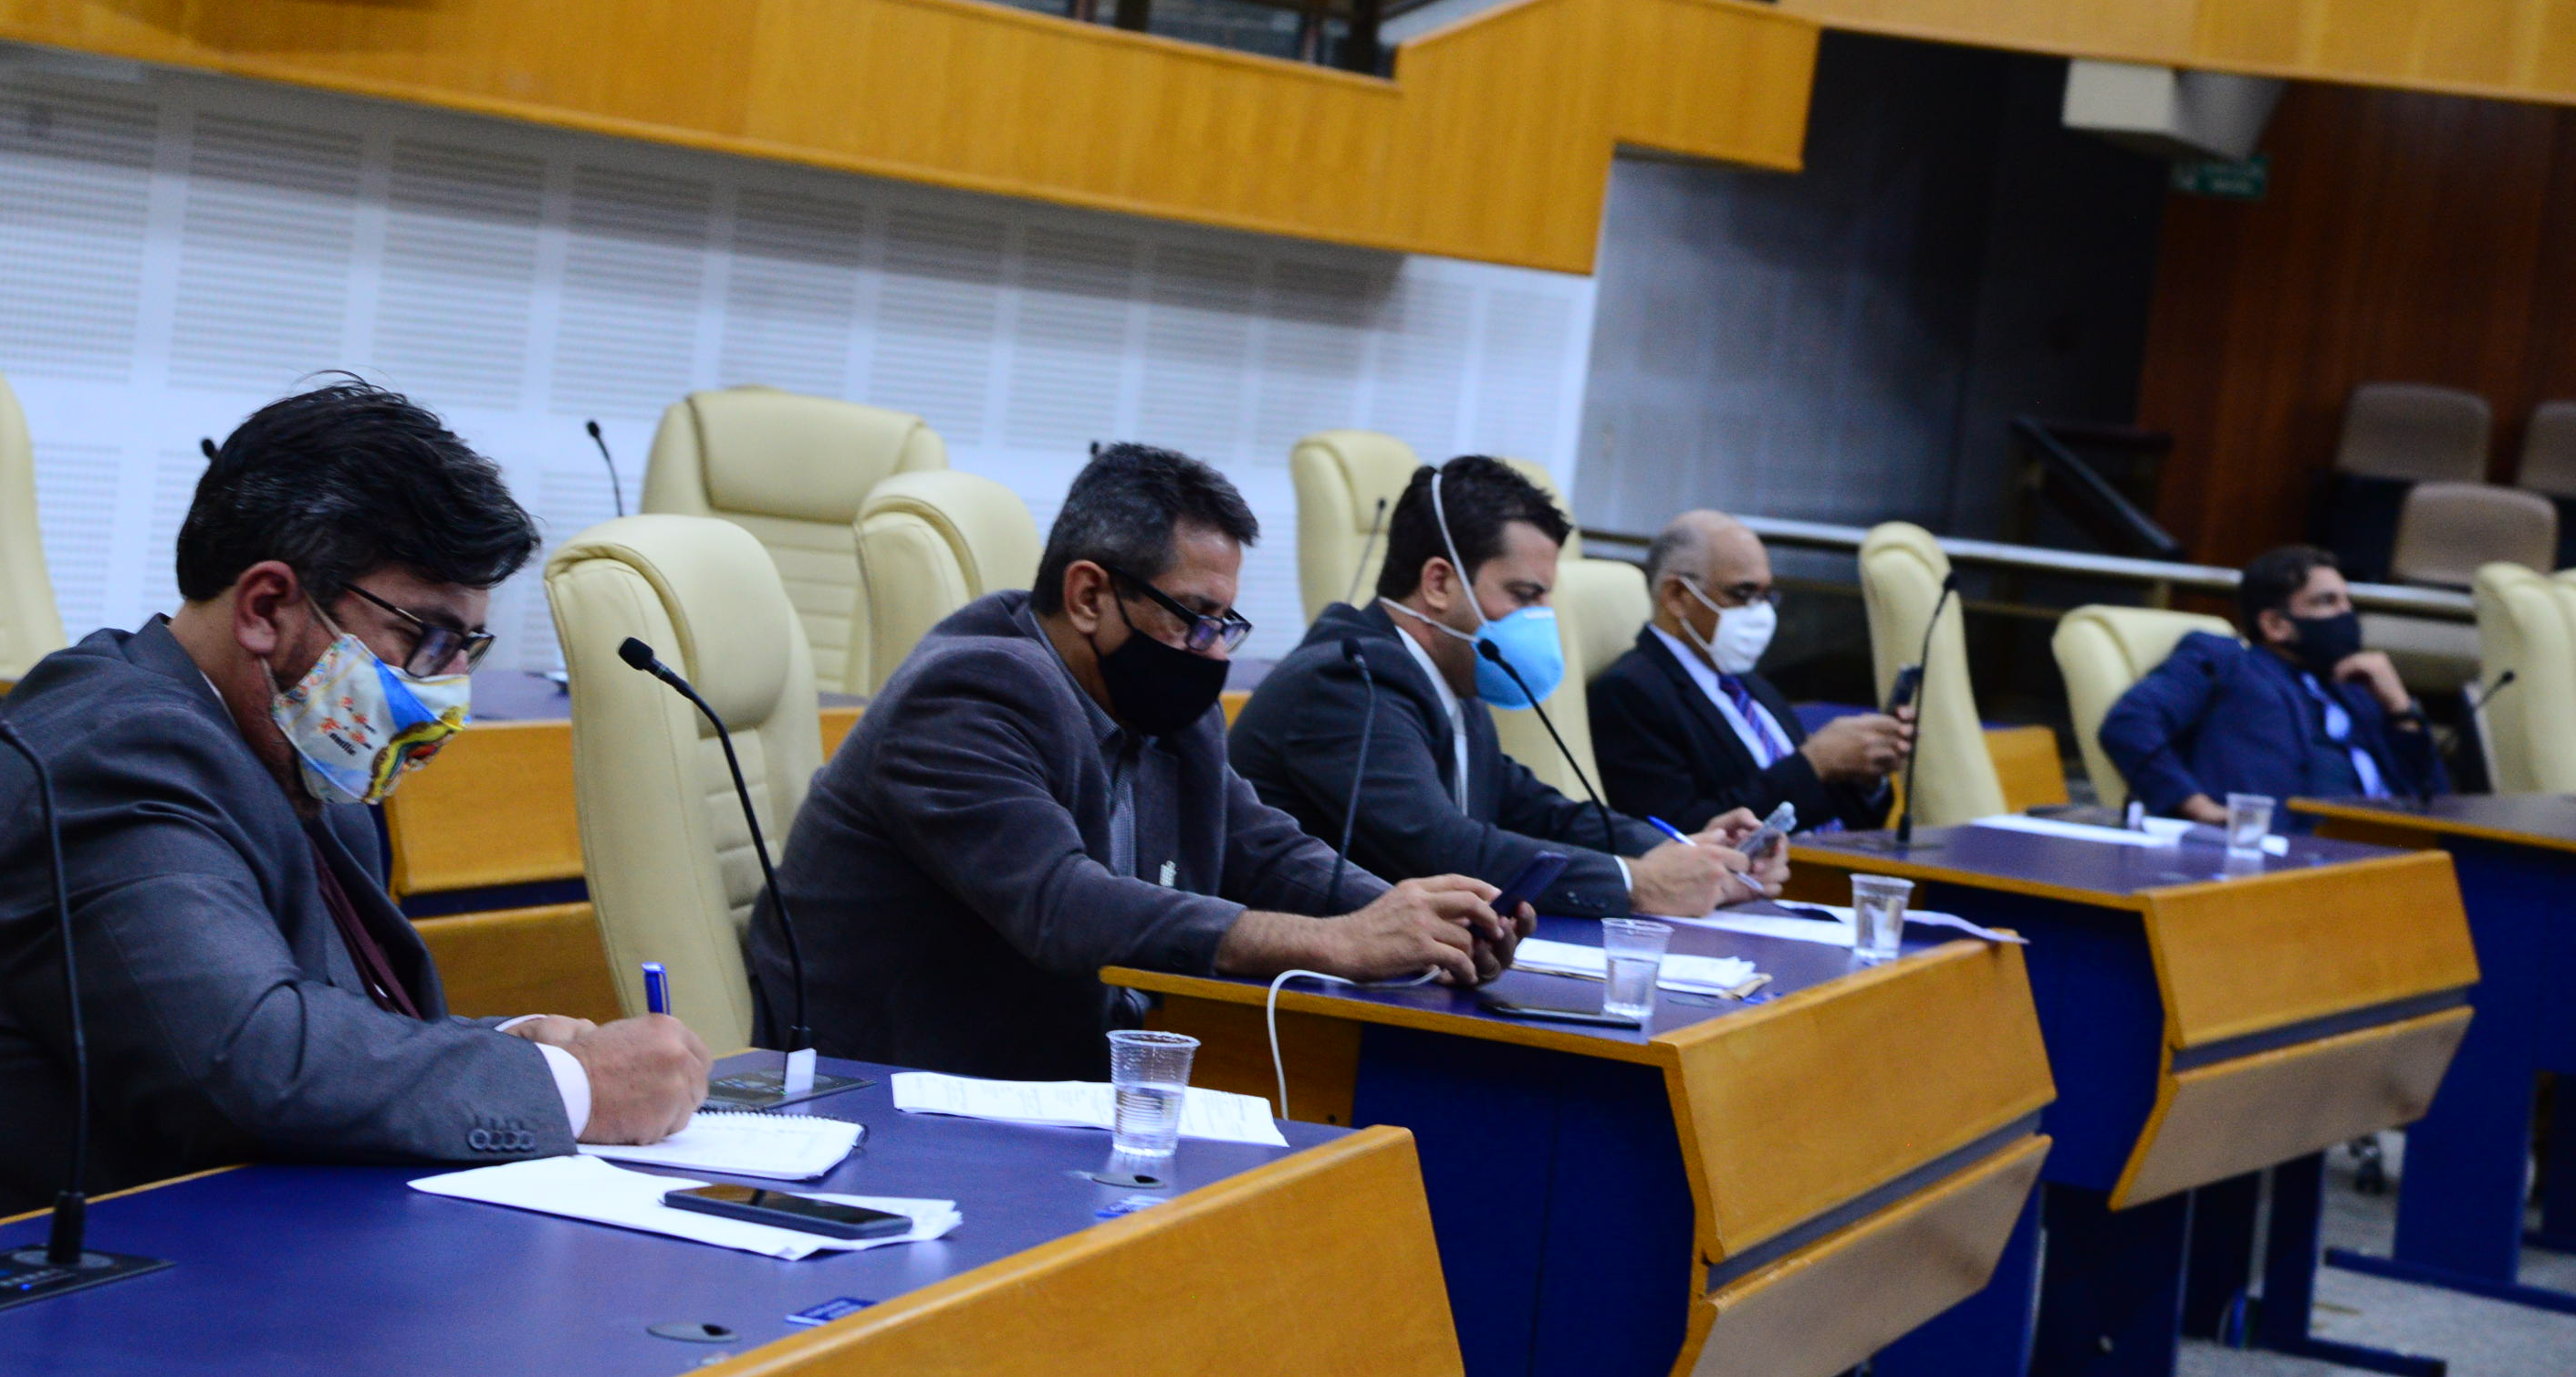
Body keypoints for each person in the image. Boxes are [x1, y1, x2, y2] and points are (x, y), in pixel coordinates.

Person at [0, 383, 705, 1242]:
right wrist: (573, 1088)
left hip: (215, 1235)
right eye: (425, 639)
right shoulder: (116, 755)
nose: (449, 692)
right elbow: (249, 1060)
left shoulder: (295, 764)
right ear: (265, 608)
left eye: (467, 650)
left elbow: (327, 1035)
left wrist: (521, 1046)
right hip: (46, 1290)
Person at [750, 443, 1522, 1081]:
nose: (1213, 652)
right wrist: (1336, 944)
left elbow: (1263, 851)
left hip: (1064, 1082)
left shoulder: (1161, 706)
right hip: (883, 1094)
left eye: (1225, 622)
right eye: (1194, 616)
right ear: (1090, 596)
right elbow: (1063, 903)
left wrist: (1417, 921)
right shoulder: (967, 695)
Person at [1230, 459, 1781, 919]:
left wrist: (1683, 850)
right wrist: (1639, 883)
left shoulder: (1447, 680)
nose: (1542, 617)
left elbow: (1538, 811)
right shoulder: (1348, 681)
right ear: (1439, 583)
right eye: (1523, 595)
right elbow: (1440, 848)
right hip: (1290, 986)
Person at [1588, 510, 1909, 834]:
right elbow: (1677, 831)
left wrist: (1863, 772)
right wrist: (1815, 763)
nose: (1761, 612)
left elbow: (1829, 809)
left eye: (1766, 595)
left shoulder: (1748, 682)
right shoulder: (1629, 692)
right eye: (1742, 593)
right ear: (1677, 597)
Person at [2097, 544, 2446, 823]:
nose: (2346, 614)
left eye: (2347, 601)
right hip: (2292, 853)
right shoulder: (2227, 661)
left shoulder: (2356, 686)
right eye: (2327, 601)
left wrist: (2400, 707)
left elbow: (2436, 799)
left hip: (2393, 852)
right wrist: (2195, 805)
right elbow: (2130, 723)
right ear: (2276, 625)